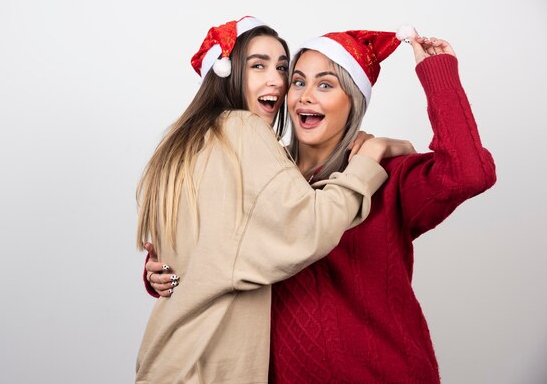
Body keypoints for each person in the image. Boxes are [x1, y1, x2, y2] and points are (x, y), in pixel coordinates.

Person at [145, 28, 497, 382]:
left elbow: (469, 174)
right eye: (297, 82)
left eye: (325, 85)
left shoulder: (388, 176)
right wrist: (164, 266)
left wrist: (439, 76)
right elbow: (213, 234)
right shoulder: (254, 170)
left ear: (354, 100)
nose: (305, 97)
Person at [134, 16, 405, 384]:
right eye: (258, 65)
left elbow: (194, 252)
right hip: (209, 368)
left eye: (282, 67)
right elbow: (310, 227)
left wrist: (157, 273)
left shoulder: (181, 145)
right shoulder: (243, 130)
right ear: (228, 73)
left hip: (165, 361)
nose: (276, 80)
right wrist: (372, 156)